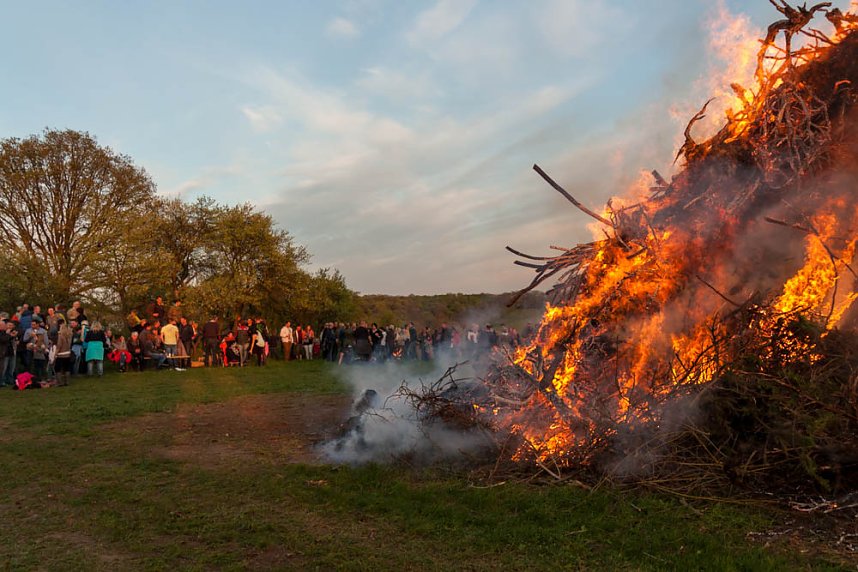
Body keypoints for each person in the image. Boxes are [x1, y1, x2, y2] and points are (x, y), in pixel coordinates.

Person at [54, 319, 73, 386]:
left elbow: (59, 345)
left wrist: (55, 354)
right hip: (67, 353)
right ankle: (67, 381)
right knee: (66, 368)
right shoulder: (70, 336)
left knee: (58, 368)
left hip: (61, 354)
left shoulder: (61, 336)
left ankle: (60, 382)